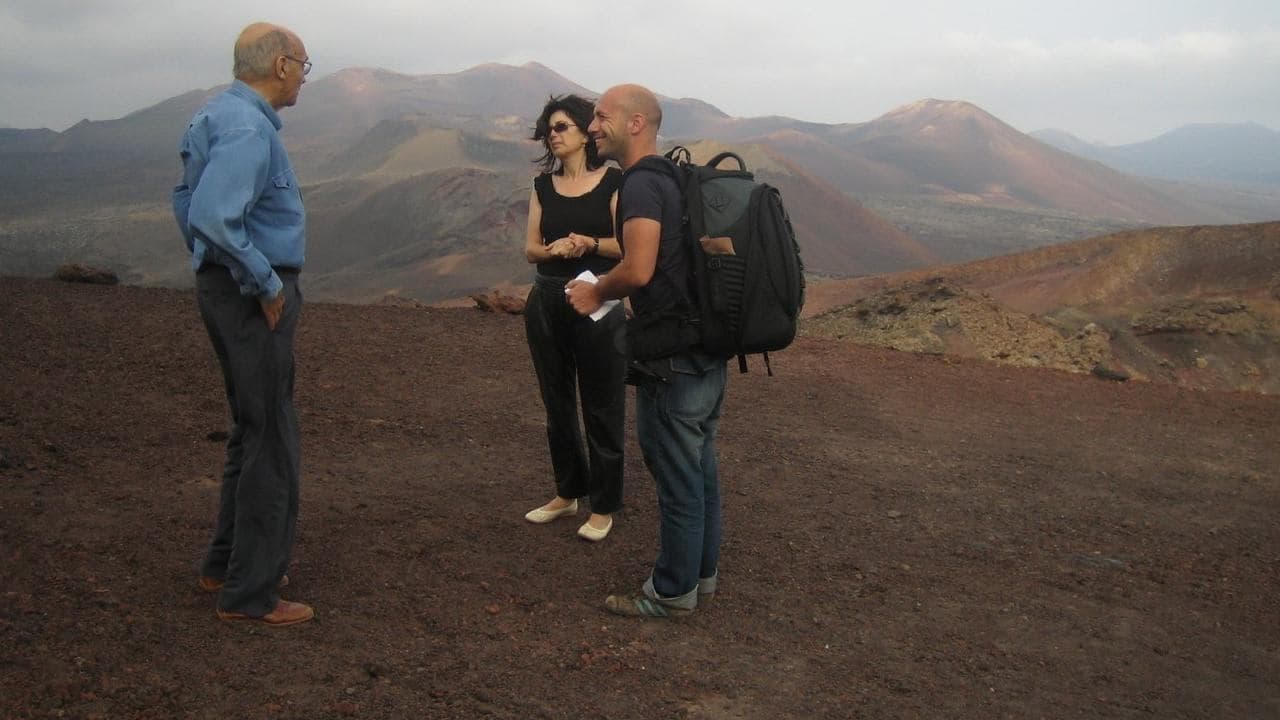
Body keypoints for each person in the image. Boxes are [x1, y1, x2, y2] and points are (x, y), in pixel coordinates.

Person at [566, 85, 729, 617]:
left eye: (602, 117)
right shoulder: (678, 178)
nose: (593, 126)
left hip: (671, 357)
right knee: (699, 469)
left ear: (637, 124)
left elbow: (638, 269)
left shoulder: (639, 185)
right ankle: (700, 578)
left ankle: (671, 592)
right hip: (706, 347)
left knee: (678, 475)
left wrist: (595, 291)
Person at [171, 22, 313, 626]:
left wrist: (214, 266)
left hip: (223, 287)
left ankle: (221, 565)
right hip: (251, 296)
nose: (304, 77)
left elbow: (184, 202)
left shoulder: (214, 115)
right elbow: (209, 212)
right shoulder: (250, 127)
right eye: (303, 66)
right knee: (272, 439)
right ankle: (251, 592)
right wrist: (261, 279)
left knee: (249, 429)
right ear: (280, 65)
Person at [521, 95, 627, 542]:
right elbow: (530, 249)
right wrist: (555, 249)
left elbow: (627, 247)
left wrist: (587, 243)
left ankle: (603, 505)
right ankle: (568, 493)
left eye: (562, 126)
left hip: (599, 301)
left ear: (586, 132)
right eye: (550, 127)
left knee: (602, 404)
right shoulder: (542, 185)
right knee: (557, 403)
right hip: (546, 300)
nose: (554, 133)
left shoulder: (613, 182)